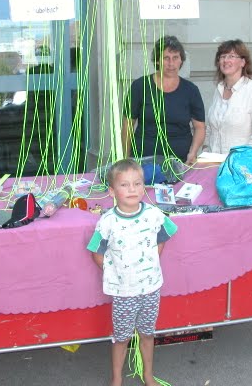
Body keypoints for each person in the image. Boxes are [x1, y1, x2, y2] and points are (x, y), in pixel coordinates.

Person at [87, 159, 177, 386]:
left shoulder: (153, 214)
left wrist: (151, 261)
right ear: (112, 191)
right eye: (124, 185)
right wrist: (114, 272)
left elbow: (163, 236)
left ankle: (148, 375)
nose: (132, 189)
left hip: (150, 289)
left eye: (137, 184)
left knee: (147, 335)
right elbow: (96, 252)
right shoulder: (107, 221)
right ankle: (117, 378)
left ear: (144, 187)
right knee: (122, 338)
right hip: (124, 293)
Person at [122, 35, 205, 165]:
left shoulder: (191, 90)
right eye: (166, 58)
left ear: (181, 60)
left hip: (181, 162)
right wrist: (126, 159)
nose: (171, 63)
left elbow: (200, 127)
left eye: (175, 58)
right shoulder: (140, 86)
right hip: (143, 161)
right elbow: (127, 125)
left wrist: (193, 153)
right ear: (157, 61)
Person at [205, 39, 252, 154]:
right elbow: (210, 129)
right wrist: (205, 151)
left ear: (243, 62)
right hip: (215, 161)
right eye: (223, 56)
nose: (226, 60)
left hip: (240, 162)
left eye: (231, 56)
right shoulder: (219, 90)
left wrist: (240, 161)